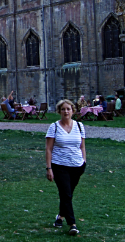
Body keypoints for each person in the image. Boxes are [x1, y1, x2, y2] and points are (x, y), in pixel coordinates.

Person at [45, 99, 86, 236]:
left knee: (68, 194)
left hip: (76, 165)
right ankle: (72, 224)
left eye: (68, 109)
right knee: (66, 194)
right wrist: (49, 168)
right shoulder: (54, 127)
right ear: (59, 111)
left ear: (73, 111)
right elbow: (49, 149)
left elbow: (82, 146)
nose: (66, 111)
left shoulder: (79, 126)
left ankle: (60, 217)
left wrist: (84, 162)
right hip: (59, 166)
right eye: (63, 109)